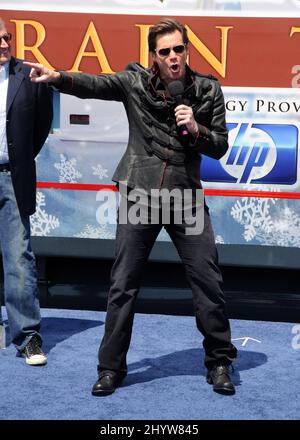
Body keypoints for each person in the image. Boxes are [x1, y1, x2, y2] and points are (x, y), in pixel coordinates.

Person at [26, 18, 237, 393]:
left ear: (187, 50)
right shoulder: (134, 81)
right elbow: (94, 84)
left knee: (208, 282)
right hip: (140, 194)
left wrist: (196, 128)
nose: (173, 57)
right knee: (122, 285)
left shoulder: (207, 90)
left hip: (184, 197)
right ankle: (111, 369)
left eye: (178, 49)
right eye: (164, 52)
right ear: (153, 56)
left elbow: (219, 145)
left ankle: (219, 361)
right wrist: (57, 76)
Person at [0, 18, 53, 365]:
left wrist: (18, 159)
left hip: (11, 178)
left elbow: (41, 126)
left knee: (19, 257)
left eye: (7, 37)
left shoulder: (28, 77)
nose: (5, 44)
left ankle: (28, 337)